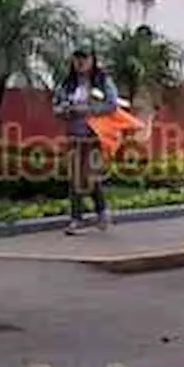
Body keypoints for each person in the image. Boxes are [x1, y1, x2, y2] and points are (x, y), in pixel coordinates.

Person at [53, 45, 120, 234]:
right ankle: (76, 218)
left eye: (84, 58)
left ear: (92, 60)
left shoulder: (102, 80)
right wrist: (65, 110)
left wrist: (89, 109)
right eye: (77, 59)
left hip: (95, 136)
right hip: (74, 135)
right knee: (75, 176)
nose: (80, 63)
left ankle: (101, 211)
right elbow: (55, 106)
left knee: (89, 175)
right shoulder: (67, 83)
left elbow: (112, 104)